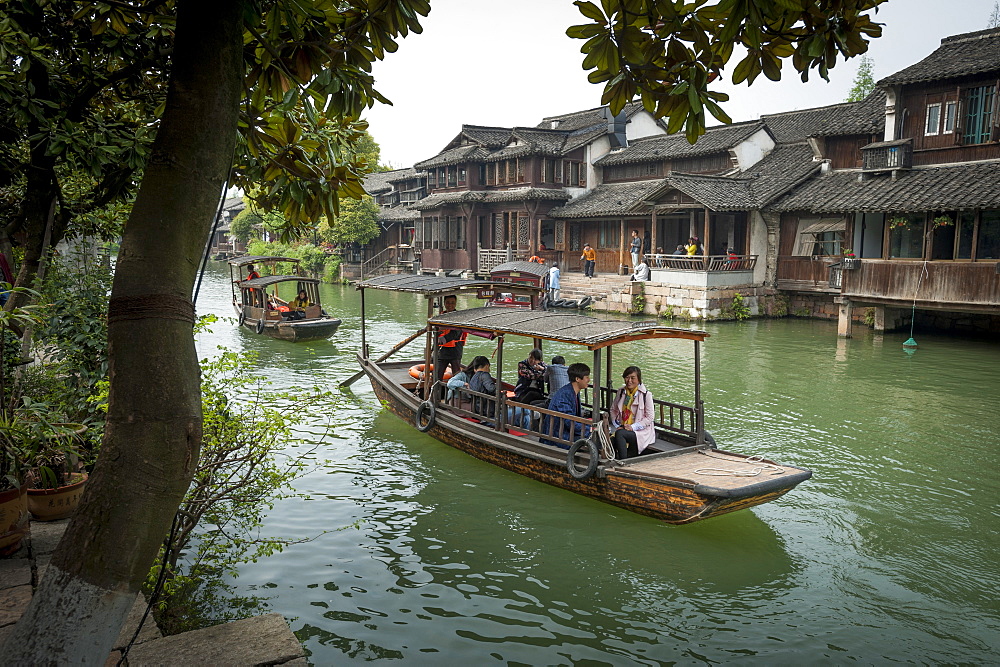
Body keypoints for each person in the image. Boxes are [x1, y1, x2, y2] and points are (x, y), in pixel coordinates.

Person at [468, 357, 530, 428]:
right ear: (487, 365)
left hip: (479, 413)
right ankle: (534, 415)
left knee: (525, 418)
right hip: (491, 417)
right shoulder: (484, 375)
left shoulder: (473, 378)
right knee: (526, 410)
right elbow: (492, 389)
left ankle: (526, 434)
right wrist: (497, 388)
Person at [541, 362, 591, 448]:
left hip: (565, 433)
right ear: (577, 379)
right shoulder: (565, 395)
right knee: (594, 439)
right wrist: (589, 429)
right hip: (558, 437)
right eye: (587, 377)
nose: (589, 380)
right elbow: (568, 421)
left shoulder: (573, 391)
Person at [609, 366, 655, 459]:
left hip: (641, 431)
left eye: (632, 378)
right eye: (627, 377)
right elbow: (613, 410)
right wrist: (618, 425)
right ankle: (615, 460)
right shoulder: (621, 391)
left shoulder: (646, 395)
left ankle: (623, 461)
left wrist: (632, 427)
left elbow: (649, 418)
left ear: (638, 379)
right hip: (624, 427)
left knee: (620, 434)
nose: (629, 381)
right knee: (613, 439)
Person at [436, 294, 466, 381]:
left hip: (455, 351)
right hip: (442, 351)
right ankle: (436, 392)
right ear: (444, 304)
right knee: (438, 375)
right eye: (448, 303)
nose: (450, 305)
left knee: (456, 375)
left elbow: (456, 332)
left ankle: (455, 394)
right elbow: (435, 330)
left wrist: (443, 339)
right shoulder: (440, 317)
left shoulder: (459, 317)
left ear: (455, 304)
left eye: (452, 303)